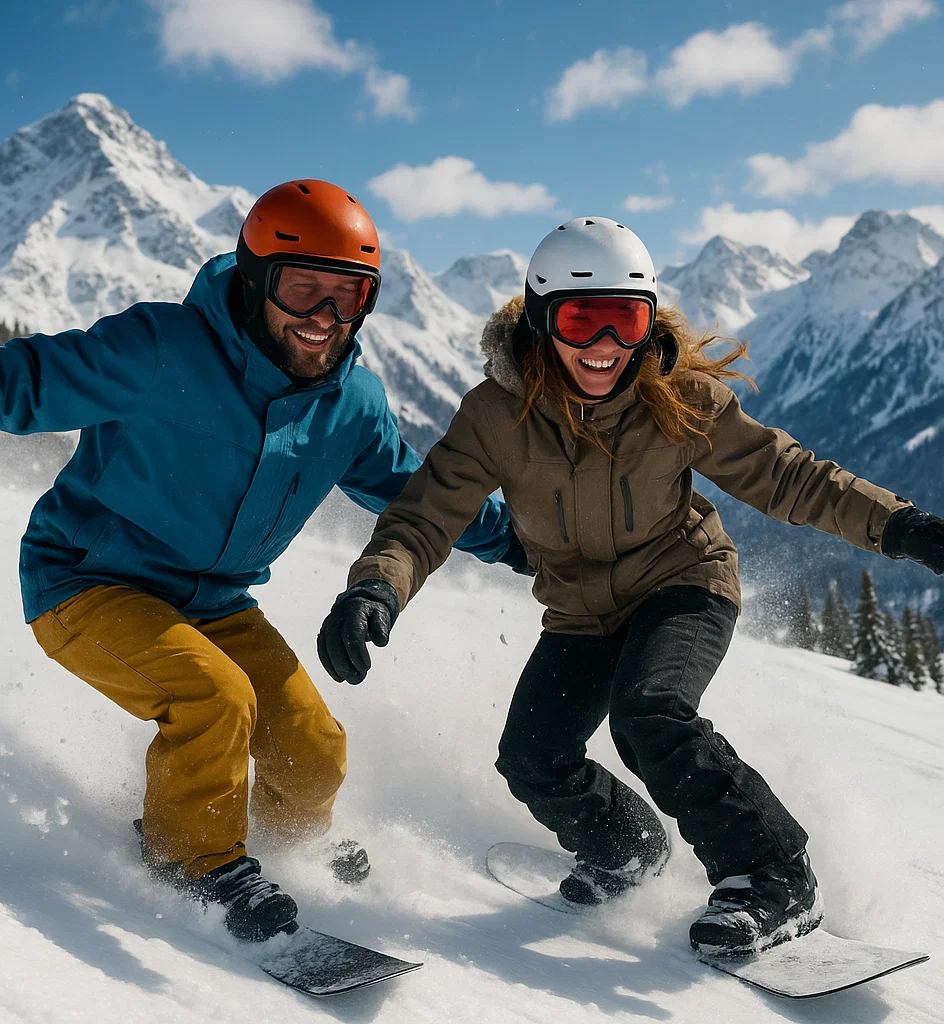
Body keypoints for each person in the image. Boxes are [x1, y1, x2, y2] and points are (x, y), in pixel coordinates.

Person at [317, 216, 944, 956]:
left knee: (649, 712)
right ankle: (628, 847)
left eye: (626, 319)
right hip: (581, 613)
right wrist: (375, 589)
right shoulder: (496, 416)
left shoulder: (677, 398)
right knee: (532, 754)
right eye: (582, 320)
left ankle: (774, 874)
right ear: (542, 319)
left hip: (685, 583)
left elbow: (788, 477)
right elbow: (426, 515)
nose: (605, 345)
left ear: (649, 323)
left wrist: (903, 527)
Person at [0, 179, 527, 942]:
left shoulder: (353, 403)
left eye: (349, 297)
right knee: (215, 697)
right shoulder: (160, 349)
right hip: (87, 578)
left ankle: (282, 844)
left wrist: (519, 542)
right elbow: (25, 377)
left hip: (214, 599)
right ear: (252, 279)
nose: (324, 320)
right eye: (302, 292)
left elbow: (420, 493)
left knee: (312, 749)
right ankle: (192, 859)